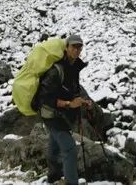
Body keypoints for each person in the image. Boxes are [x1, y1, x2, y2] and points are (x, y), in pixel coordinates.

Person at [33, 34, 93, 185]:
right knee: (70, 149)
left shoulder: (74, 66)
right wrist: (69, 104)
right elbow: (45, 98)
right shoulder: (56, 70)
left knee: (55, 145)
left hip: (62, 114)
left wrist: (83, 101)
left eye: (79, 47)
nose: (77, 50)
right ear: (66, 48)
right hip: (51, 114)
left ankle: (53, 177)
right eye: (73, 46)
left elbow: (72, 90)